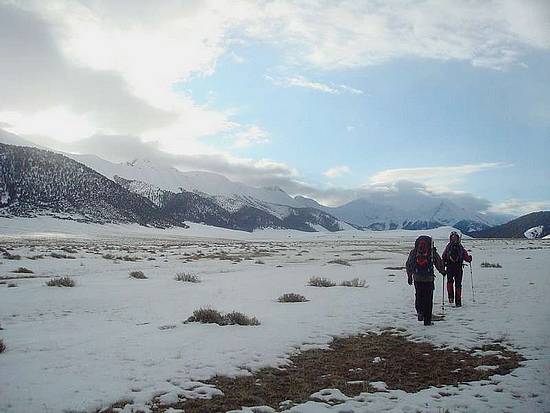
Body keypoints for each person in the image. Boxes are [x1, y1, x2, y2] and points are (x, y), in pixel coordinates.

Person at [406, 235, 446, 326]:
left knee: (419, 295)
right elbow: (438, 262)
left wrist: (409, 276)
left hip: (417, 277)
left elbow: (409, 264)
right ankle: (427, 321)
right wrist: (443, 271)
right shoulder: (431, 252)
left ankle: (420, 312)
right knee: (428, 298)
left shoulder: (414, 252)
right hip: (429, 278)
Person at [442, 231, 472, 307]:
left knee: (450, 282)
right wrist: (469, 259)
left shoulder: (448, 246)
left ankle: (450, 298)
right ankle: (458, 301)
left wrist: (443, 264)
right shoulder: (460, 247)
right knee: (458, 285)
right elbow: (466, 257)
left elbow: (443, 256)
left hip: (449, 267)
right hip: (458, 268)